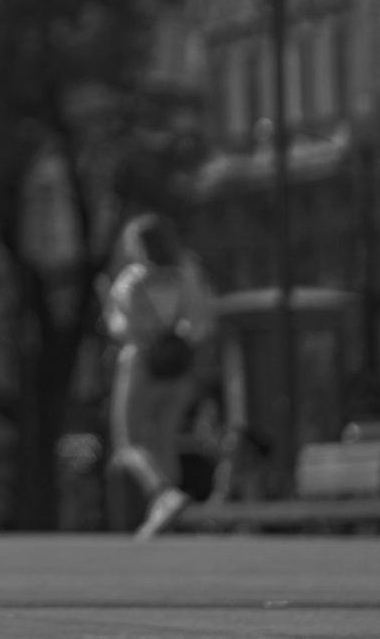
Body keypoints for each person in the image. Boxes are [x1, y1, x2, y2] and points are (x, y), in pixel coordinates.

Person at [104, 212, 217, 538]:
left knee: (129, 443)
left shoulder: (133, 280)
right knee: (166, 439)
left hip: (142, 365)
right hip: (178, 366)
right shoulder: (186, 274)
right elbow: (201, 322)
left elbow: (123, 328)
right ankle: (169, 518)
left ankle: (162, 496)